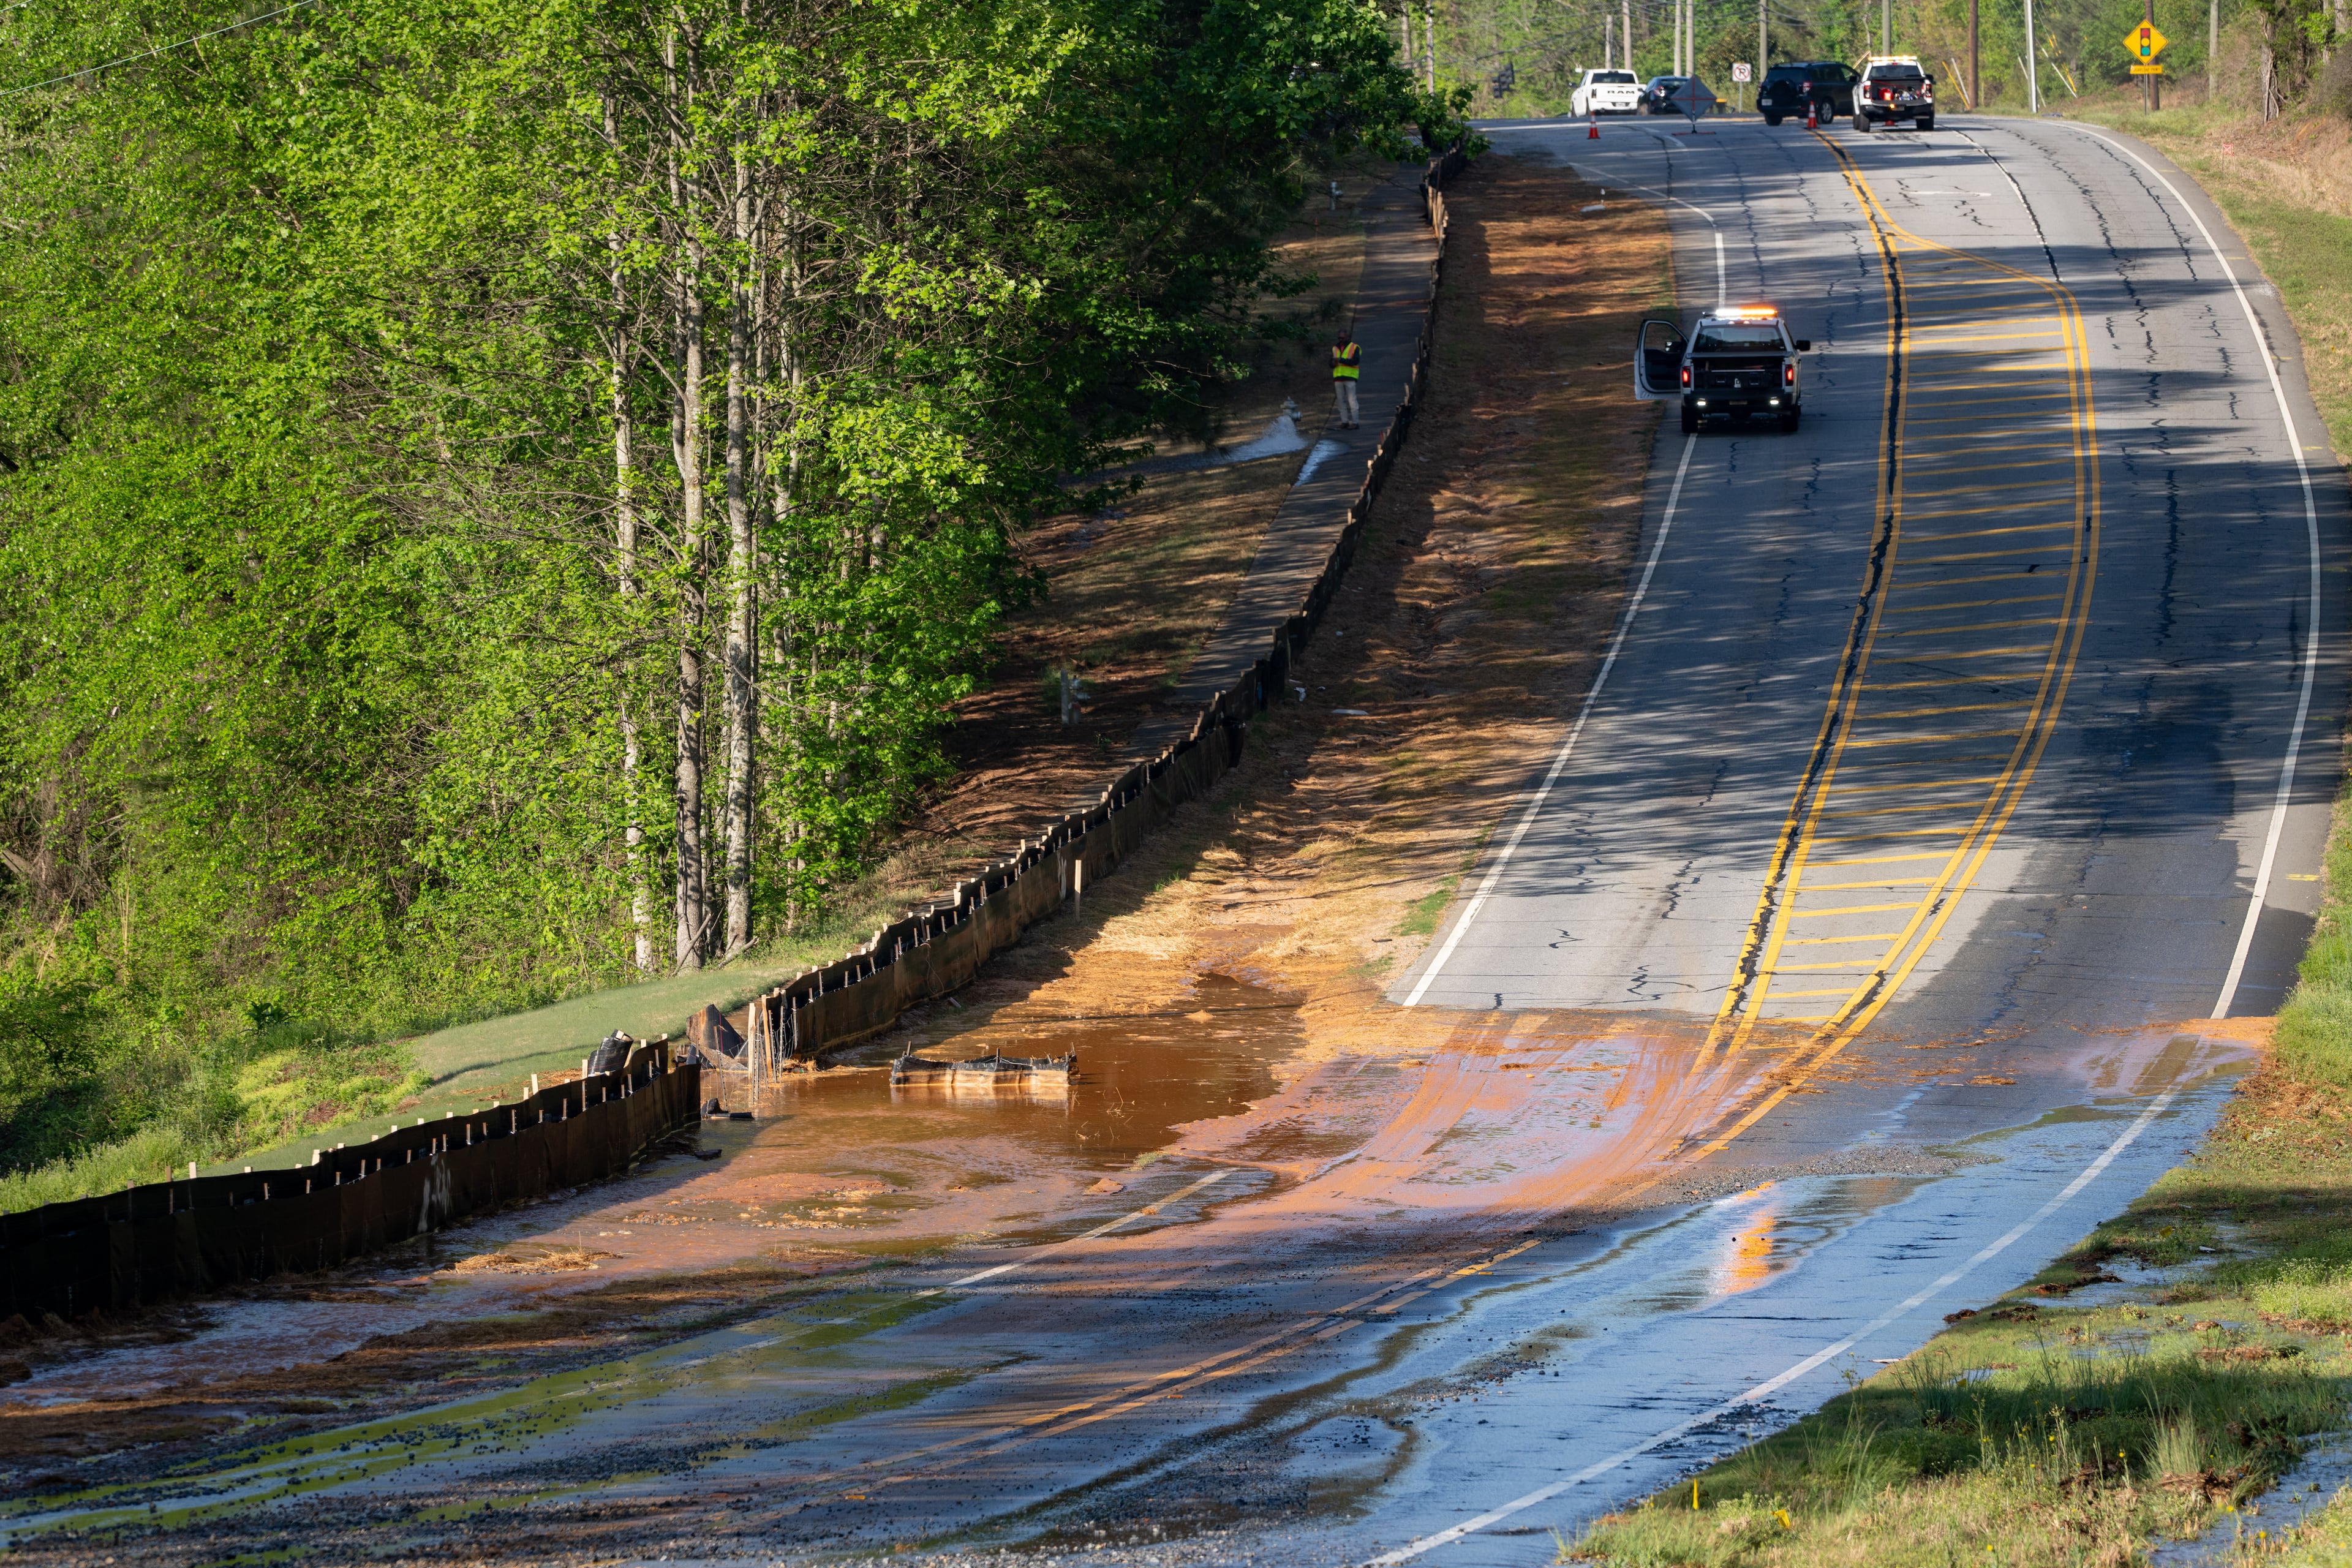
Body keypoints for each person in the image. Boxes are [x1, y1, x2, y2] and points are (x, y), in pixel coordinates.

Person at [1330, 329, 1362, 429]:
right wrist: (1333, 363)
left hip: (1350, 377)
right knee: (1340, 401)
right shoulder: (1335, 348)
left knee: (1352, 400)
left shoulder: (1355, 348)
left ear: (1348, 337)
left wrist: (1341, 360)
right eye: (1339, 338)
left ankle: (1355, 423)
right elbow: (1330, 363)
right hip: (1338, 377)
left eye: (1342, 338)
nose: (1341, 340)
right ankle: (1345, 421)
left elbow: (1355, 361)